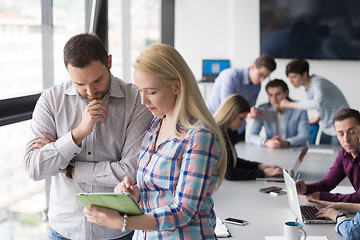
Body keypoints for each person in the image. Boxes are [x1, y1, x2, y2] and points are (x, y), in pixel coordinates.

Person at [82, 44, 227, 239]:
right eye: (140, 91)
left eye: (151, 92)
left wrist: (121, 221)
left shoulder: (199, 137)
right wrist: (135, 195)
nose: (143, 101)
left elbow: (184, 211)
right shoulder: (156, 125)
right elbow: (159, 195)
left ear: (177, 86)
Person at [23, 33, 153, 240]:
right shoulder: (51, 100)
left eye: (97, 80)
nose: (90, 91)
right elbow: (34, 167)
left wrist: (69, 167)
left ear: (109, 62)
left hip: (118, 231)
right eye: (80, 84)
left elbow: (130, 172)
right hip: (64, 230)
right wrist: (77, 134)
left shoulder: (137, 101)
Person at [207, 54, 277, 144]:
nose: (262, 79)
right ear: (253, 67)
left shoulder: (257, 86)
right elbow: (229, 107)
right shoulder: (230, 76)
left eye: (265, 77)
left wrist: (251, 112)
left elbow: (249, 108)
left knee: (237, 154)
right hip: (218, 125)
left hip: (238, 126)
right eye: (261, 74)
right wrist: (247, 114)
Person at [296, 108, 360, 202]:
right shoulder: (345, 154)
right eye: (341, 134)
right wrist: (305, 189)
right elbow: (327, 183)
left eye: (351, 132)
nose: (346, 139)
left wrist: (324, 197)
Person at [280, 58, 349, 145]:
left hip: (340, 127)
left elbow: (317, 103)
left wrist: (289, 104)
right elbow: (325, 103)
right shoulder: (308, 87)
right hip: (327, 126)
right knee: (323, 155)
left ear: (305, 74)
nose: (291, 81)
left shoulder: (317, 84)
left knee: (337, 156)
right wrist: (318, 118)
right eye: (289, 78)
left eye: (294, 77)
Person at [214, 94, 282, 180]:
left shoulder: (226, 131)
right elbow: (230, 173)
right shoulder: (218, 135)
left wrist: (260, 166)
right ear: (230, 114)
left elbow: (233, 161)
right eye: (241, 118)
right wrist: (263, 173)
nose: (242, 124)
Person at [247, 79, 310, 148]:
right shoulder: (263, 109)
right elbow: (251, 136)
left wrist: (287, 143)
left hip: (292, 148)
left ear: (286, 93)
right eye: (270, 95)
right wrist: (266, 142)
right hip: (271, 149)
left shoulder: (299, 108)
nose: (274, 99)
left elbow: (305, 136)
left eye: (278, 94)